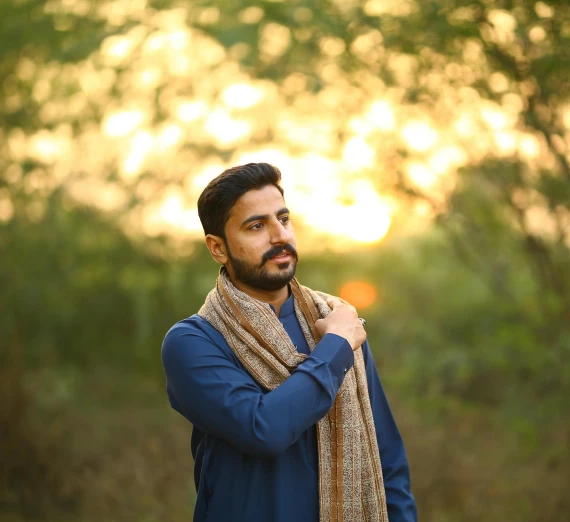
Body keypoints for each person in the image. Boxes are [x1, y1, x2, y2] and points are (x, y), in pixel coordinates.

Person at [161, 163, 417, 522]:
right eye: (256, 226)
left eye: (283, 219)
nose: (279, 236)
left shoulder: (335, 318)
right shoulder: (194, 342)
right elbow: (263, 429)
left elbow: (387, 457)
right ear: (218, 248)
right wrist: (336, 348)